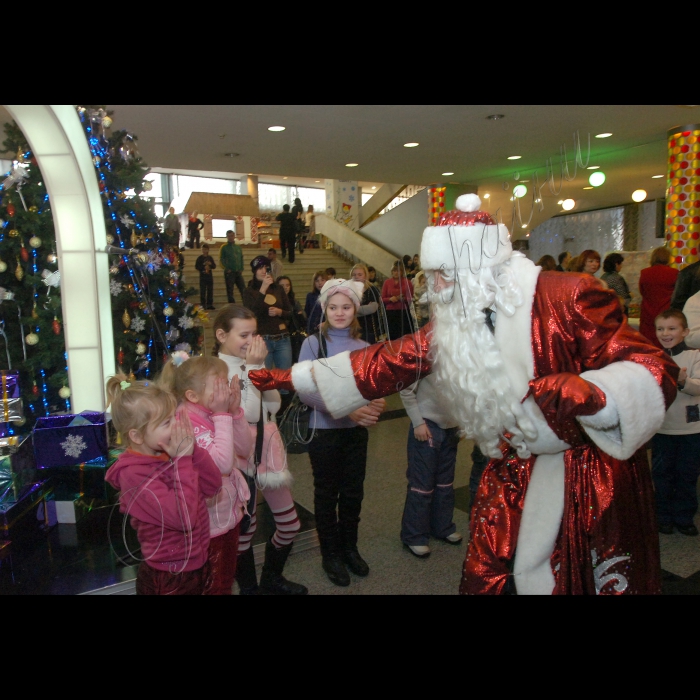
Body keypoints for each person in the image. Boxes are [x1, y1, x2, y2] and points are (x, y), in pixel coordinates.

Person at [250, 193, 678, 596]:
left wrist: (598, 395)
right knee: (485, 571)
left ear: (475, 266)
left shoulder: (569, 294)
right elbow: (386, 362)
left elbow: (657, 369)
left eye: (441, 273)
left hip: (587, 470)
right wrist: (291, 378)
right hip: (510, 467)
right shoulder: (456, 319)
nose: (433, 284)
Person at [212, 305, 307, 595]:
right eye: (244, 334)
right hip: (240, 456)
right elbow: (249, 415)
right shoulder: (217, 371)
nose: (252, 340)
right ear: (221, 335)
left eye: (255, 333)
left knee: (289, 525)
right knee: (245, 532)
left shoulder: (251, 364)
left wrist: (257, 370)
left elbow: (274, 405)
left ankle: (271, 578)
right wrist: (255, 369)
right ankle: (250, 588)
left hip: (267, 450)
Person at [298, 279, 386, 586]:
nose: (339, 313)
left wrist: (376, 402)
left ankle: (350, 548)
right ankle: (330, 554)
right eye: (333, 307)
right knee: (326, 495)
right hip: (324, 433)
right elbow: (305, 391)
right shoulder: (312, 344)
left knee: (352, 493)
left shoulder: (363, 347)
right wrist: (346, 409)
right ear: (324, 309)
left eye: (346, 307)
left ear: (355, 310)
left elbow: (372, 386)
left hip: (354, 433)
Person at [104, 374, 222, 595]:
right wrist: (184, 460)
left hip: (197, 561)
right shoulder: (134, 475)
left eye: (175, 417)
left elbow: (213, 486)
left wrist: (193, 450)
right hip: (170, 575)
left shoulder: (169, 453)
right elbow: (183, 519)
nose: (177, 426)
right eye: (167, 422)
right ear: (137, 436)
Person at [159, 352, 252, 595]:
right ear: (193, 396)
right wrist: (223, 415)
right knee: (215, 583)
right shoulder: (188, 422)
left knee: (225, 577)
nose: (225, 391)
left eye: (225, 383)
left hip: (226, 515)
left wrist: (233, 412)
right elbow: (221, 465)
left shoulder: (212, 413)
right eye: (218, 386)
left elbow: (243, 449)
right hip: (209, 524)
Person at [400, 375, 462, 557]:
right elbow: (406, 389)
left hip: (451, 428)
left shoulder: (463, 355)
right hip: (427, 426)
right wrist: (418, 422)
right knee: (421, 485)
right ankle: (414, 535)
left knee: (445, 483)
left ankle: (442, 526)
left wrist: (463, 423)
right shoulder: (426, 353)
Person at [652, 309, 700, 536]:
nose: (665, 333)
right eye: (660, 329)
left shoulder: (695, 355)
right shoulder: (652, 357)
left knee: (687, 475)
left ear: (685, 332)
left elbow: (699, 387)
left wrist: (683, 381)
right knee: (662, 475)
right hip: (663, 428)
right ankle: (663, 516)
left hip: (691, 428)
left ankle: (684, 517)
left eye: (672, 328)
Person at [242, 255, 293, 378]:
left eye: (266, 268)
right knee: (264, 377)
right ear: (254, 271)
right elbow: (252, 314)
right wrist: (263, 289)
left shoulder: (278, 289)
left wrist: (279, 312)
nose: (264, 271)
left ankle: (284, 397)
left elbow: (290, 312)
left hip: (282, 338)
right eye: (260, 268)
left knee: (285, 377)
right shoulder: (249, 291)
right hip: (262, 340)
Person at [639, 246, 678, 347]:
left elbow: (642, 292)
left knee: (648, 345)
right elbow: (677, 295)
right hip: (666, 313)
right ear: (668, 258)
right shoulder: (674, 273)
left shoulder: (644, 273)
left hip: (647, 315)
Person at [381, 261, 414, 340]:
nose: (396, 273)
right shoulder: (387, 282)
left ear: (402, 272)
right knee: (392, 335)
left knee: (405, 335)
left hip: (403, 312)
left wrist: (403, 298)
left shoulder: (407, 282)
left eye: (398, 271)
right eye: (394, 271)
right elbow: (382, 299)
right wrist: (390, 299)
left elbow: (411, 298)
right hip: (391, 312)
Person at [351, 263, 383, 344]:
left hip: (369, 329)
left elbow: (372, 308)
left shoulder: (372, 289)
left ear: (365, 276)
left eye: (360, 274)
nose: (356, 277)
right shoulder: (349, 291)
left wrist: (353, 309)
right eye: (354, 275)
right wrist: (362, 309)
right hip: (353, 329)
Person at [277, 275, 307, 363]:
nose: (285, 288)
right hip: (279, 335)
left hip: (293, 335)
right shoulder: (274, 301)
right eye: (282, 286)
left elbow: (303, 317)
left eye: (287, 285)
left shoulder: (294, 301)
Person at [219, 229, 246, 304]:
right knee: (230, 291)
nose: (231, 237)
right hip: (229, 272)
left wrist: (241, 268)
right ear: (227, 237)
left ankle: (246, 304)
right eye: (229, 236)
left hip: (238, 272)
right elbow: (221, 259)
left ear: (234, 236)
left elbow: (241, 258)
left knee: (243, 289)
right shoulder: (224, 247)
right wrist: (226, 268)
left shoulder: (238, 247)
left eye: (232, 236)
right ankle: (232, 306)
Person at [195, 243, 216, 310]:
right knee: (203, 291)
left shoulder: (210, 258)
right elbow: (197, 266)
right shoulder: (200, 258)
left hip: (209, 276)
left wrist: (210, 264)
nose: (204, 251)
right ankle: (203, 304)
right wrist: (203, 266)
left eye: (205, 249)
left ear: (208, 250)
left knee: (210, 290)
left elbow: (214, 266)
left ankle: (209, 304)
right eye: (203, 249)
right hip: (203, 276)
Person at [306, 270, 327, 335]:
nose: (320, 283)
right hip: (313, 327)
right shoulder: (310, 295)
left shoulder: (331, 295)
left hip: (327, 327)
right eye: (317, 281)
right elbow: (308, 311)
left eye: (322, 280)